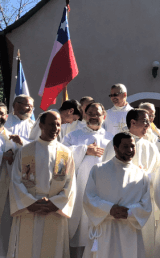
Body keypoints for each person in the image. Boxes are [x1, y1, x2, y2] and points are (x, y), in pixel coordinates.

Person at [7, 111, 76, 257]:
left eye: (58, 124)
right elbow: (16, 181)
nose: (55, 128)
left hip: (54, 210)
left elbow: (70, 184)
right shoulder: (26, 151)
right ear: (41, 125)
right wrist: (30, 203)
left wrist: (55, 203)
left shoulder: (65, 153)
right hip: (28, 209)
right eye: (51, 124)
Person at [101, 108, 160, 258]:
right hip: (118, 204)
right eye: (145, 121)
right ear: (133, 122)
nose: (148, 124)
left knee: (143, 246)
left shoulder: (151, 147)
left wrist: (145, 175)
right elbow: (106, 172)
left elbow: (159, 175)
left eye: (149, 121)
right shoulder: (115, 143)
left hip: (140, 206)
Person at [82, 132, 152, 258]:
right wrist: (109, 209)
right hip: (106, 229)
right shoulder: (98, 170)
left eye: (132, 146)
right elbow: (89, 198)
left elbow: (146, 204)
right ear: (115, 148)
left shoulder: (141, 175)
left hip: (130, 230)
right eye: (125, 146)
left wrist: (129, 212)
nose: (130, 150)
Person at [62, 103, 113, 258]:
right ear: (84, 115)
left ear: (103, 116)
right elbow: (62, 157)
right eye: (90, 113)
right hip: (79, 189)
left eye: (97, 113)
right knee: (80, 230)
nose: (93, 116)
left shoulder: (111, 138)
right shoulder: (73, 136)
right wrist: (84, 150)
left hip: (103, 192)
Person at [0, 103, 18, 258]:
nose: (0, 117)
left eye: (2, 114)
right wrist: (2, 156)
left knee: (5, 225)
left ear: (7, 116)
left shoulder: (11, 136)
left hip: (6, 189)